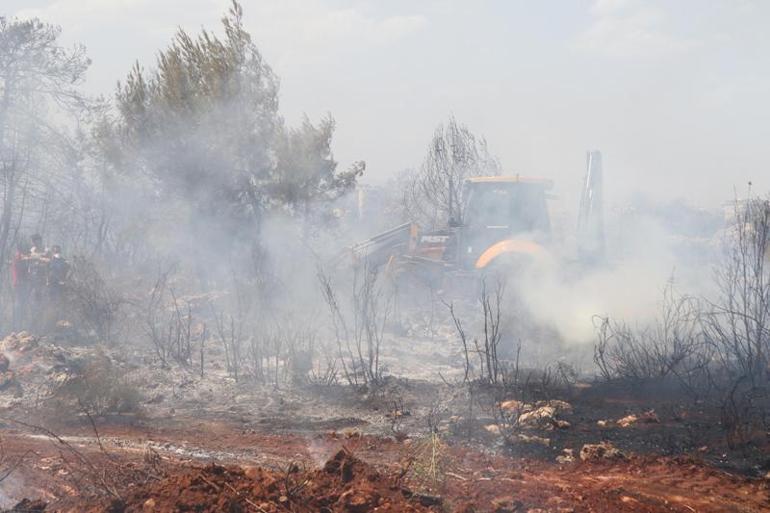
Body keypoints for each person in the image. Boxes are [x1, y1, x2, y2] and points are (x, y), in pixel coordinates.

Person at [10, 240, 32, 330]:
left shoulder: (21, 256)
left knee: (23, 303)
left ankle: (21, 325)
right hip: (19, 284)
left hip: (23, 283)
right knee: (19, 304)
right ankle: (17, 325)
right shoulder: (18, 257)